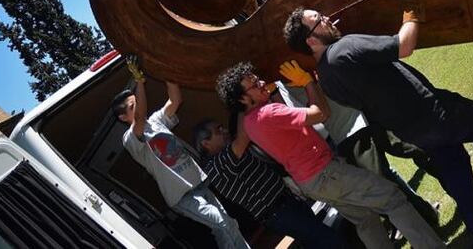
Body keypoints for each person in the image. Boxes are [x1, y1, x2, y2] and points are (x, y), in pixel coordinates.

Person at [283, 0, 473, 246]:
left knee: (452, 162)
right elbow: (404, 45)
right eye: (319, 19)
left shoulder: (326, 79)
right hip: (429, 109)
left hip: (408, 129)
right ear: (311, 40)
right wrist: (411, 3)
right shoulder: (346, 47)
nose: (327, 19)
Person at [215, 61, 445, 249]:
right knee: (391, 198)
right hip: (325, 173)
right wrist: (308, 83)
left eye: (257, 79)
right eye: (254, 84)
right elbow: (321, 113)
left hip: (312, 181)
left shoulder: (249, 122)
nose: (261, 83)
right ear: (243, 99)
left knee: (365, 220)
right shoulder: (268, 113)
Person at [274, 66, 441, 229]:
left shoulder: (309, 67)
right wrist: (304, 84)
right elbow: (316, 114)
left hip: (359, 122)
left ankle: (433, 206)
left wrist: (309, 82)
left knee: (405, 157)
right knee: (384, 180)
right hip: (348, 133)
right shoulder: (286, 86)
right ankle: (424, 215)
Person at [110, 56, 249, 249]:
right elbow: (140, 117)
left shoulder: (156, 120)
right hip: (181, 196)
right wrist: (140, 84)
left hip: (197, 183)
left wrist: (166, 69)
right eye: (133, 105)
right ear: (123, 116)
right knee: (221, 221)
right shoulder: (130, 138)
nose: (140, 105)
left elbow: (175, 100)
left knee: (227, 225)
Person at [192, 115, 343, 249]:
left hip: (285, 204)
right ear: (206, 143)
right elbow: (242, 136)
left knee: (317, 239)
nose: (225, 131)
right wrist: (241, 104)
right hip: (278, 212)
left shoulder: (225, 156)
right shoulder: (216, 166)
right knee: (326, 238)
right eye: (218, 130)